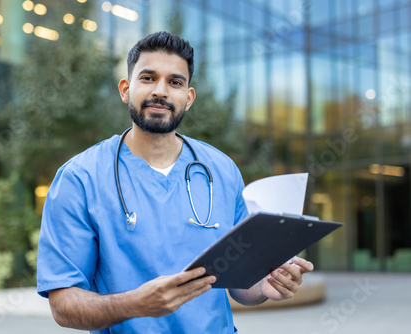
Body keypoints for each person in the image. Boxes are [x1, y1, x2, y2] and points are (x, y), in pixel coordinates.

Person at [37, 31, 313, 333]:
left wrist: (266, 285)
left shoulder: (221, 170)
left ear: (189, 97)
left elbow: (241, 287)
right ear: (125, 89)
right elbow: (63, 305)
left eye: (175, 82)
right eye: (148, 78)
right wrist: (135, 304)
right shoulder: (80, 178)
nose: (161, 91)